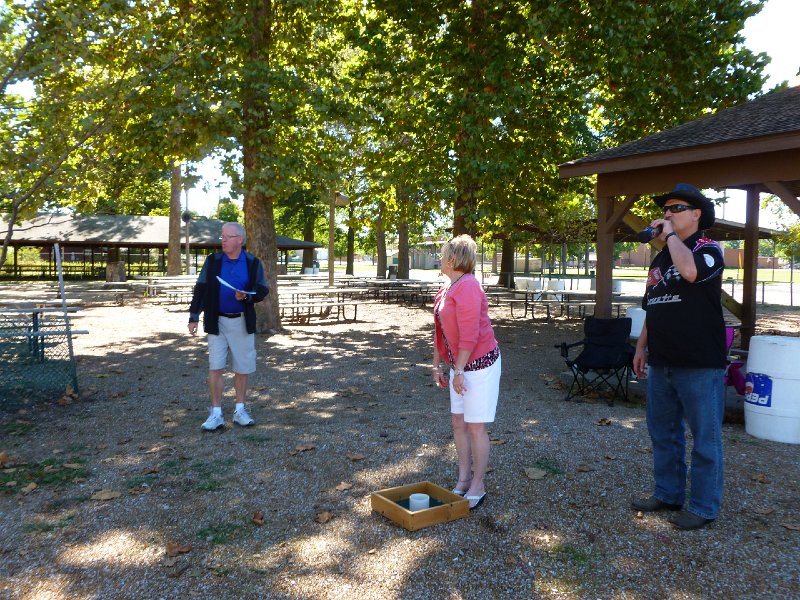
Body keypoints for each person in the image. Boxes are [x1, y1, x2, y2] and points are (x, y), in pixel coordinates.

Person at [632, 183, 727, 530]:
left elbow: (690, 272)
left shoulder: (708, 248)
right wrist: (641, 346)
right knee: (663, 433)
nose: (667, 214)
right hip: (662, 360)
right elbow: (653, 304)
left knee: (704, 439)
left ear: (696, 214)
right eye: (665, 209)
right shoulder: (661, 258)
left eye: (676, 208)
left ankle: (703, 507)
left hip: (699, 362)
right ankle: (668, 493)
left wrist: (670, 236)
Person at [432, 235, 501, 510]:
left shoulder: (469, 286)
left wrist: (458, 370)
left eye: (442, 254)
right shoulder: (448, 287)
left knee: (475, 426)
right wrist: (437, 364)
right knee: (458, 423)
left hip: (480, 365)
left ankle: (478, 484)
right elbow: (439, 331)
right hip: (459, 366)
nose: (439, 258)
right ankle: (463, 479)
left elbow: (470, 335)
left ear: (452, 259)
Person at [188, 222, 269, 431]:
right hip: (216, 321)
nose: (223, 240)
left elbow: (262, 289)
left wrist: (247, 297)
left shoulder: (252, 262)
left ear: (240, 240)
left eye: (227, 237)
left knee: (242, 367)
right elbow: (201, 288)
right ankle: (216, 414)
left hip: (242, 321)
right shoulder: (213, 261)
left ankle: (240, 410)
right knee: (215, 367)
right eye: (222, 236)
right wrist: (194, 315)